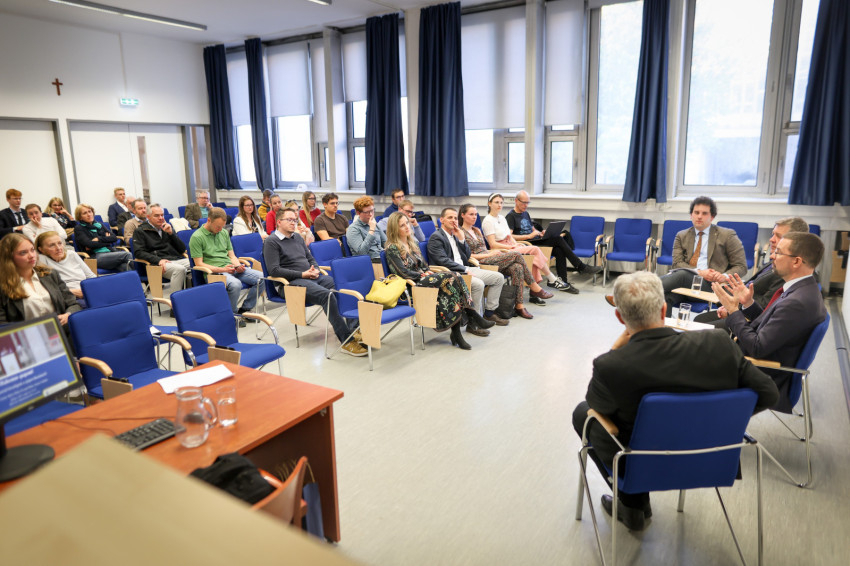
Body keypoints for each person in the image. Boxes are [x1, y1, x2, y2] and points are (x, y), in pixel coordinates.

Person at [572, 271, 778, 531]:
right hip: (714, 460)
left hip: (647, 466)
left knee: (583, 413)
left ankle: (632, 502)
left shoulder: (612, 365)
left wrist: (614, 351)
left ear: (620, 317)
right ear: (664, 309)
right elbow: (769, 393)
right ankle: (633, 504)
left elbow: (597, 406)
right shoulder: (718, 343)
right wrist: (725, 421)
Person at [713, 231, 827, 412]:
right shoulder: (803, 289)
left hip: (763, 373)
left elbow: (757, 347)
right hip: (761, 360)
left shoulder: (797, 302)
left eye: (779, 252)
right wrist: (748, 304)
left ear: (796, 261)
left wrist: (734, 311)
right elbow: (773, 325)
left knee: (693, 357)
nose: (772, 255)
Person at [262, 208, 367, 357]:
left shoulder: (297, 237)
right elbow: (274, 270)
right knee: (327, 295)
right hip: (289, 283)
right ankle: (346, 340)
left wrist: (315, 269)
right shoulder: (271, 241)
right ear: (279, 222)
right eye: (289, 220)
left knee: (343, 288)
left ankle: (354, 330)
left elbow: (310, 258)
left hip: (310, 276)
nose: (293, 223)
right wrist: (303, 274)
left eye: (295, 220)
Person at [385, 212, 477, 350]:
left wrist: (426, 271)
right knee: (454, 276)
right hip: (412, 285)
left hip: (425, 280)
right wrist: (421, 274)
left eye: (407, 223)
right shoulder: (392, 248)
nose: (407, 227)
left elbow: (424, 265)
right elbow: (402, 272)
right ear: (394, 229)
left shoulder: (413, 243)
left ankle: (457, 333)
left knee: (450, 289)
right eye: (402, 225)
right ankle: (471, 312)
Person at [694, 217, 809, 327]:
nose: (771, 239)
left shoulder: (786, 272)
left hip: (748, 319)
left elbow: (764, 308)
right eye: (773, 234)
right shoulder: (774, 261)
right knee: (699, 319)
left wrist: (733, 310)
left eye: (778, 236)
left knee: (699, 324)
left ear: (794, 242)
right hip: (739, 305)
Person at [459, 203, 553, 320]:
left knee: (517, 267)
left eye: (475, 214)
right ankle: (533, 286)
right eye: (471, 214)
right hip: (478, 262)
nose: (474, 217)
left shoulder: (477, 230)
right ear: (462, 215)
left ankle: (519, 305)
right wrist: (490, 254)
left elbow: (484, 248)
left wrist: (493, 252)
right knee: (517, 254)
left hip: (489, 257)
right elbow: (466, 256)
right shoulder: (460, 232)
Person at [660, 196, 747, 312]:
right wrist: (700, 273)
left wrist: (724, 276)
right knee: (663, 298)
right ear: (691, 215)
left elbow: (741, 266)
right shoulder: (682, 235)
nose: (699, 216)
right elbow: (677, 264)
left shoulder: (727, 235)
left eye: (704, 213)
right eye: (696, 212)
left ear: (712, 217)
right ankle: (663, 325)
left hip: (712, 286)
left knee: (682, 275)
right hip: (685, 285)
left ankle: (642, 287)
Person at [506, 191, 603, 294]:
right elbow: (509, 236)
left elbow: (532, 229)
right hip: (527, 245)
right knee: (558, 239)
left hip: (536, 240)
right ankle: (581, 266)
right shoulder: (510, 216)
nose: (526, 205)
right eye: (524, 202)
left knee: (559, 250)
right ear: (516, 201)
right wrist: (529, 236)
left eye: (528, 203)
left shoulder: (525, 213)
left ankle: (564, 283)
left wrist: (540, 233)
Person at [427, 207, 502, 337]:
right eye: (450, 217)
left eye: (455, 218)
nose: (453, 220)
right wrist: (465, 269)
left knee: (498, 278)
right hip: (452, 273)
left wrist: (462, 239)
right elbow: (442, 261)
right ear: (442, 220)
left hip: (465, 268)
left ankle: (489, 313)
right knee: (478, 284)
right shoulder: (436, 237)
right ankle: (473, 324)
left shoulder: (456, 234)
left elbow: (467, 256)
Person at [482, 193, 564, 296]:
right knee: (534, 249)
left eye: (501, 203)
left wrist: (516, 244)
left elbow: (509, 236)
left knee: (532, 257)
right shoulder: (488, 220)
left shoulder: (501, 218)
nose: (499, 205)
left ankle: (534, 293)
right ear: (489, 204)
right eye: (496, 202)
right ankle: (551, 279)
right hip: (501, 249)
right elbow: (493, 244)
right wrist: (511, 246)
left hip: (510, 245)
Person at [189, 207, 263, 318]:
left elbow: (232, 255)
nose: (220, 229)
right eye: (218, 226)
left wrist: (237, 265)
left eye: (222, 226)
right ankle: (231, 315)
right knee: (235, 284)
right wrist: (223, 269)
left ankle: (245, 309)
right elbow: (199, 264)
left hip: (230, 268)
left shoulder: (223, 233)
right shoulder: (197, 237)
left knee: (262, 278)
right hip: (214, 273)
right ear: (209, 220)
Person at [0, 233, 82, 328]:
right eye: (23, 253)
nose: (31, 256)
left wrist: (67, 315)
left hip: (62, 330)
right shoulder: (3, 285)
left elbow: (73, 304)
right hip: (27, 334)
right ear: (8, 257)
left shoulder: (50, 274)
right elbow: (3, 324)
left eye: (32, 250)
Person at [134, 204, 191, 296]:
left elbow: (182, 249)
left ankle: (193, 295)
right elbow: (138, 252)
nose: (161, 218)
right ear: (148, 217)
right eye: (156, 215)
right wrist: (158, 260)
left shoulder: (166, 228)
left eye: (162, 215)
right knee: (180, 269)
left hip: (174, 259)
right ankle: (176, 300)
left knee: (195, 263)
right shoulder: (140, 231)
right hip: (156, 263)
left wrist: (171, 234)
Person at [35, 231, 95, 304]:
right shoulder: (41, 260)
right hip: (68, 297)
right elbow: (47, 288)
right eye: (52, 245)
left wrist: (89, 290)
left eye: (60, 243)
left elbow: (91, 276)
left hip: (87, 291)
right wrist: (72, 292)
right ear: (41, 249)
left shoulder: (72, 254)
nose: (58, 248)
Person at [73, 203, 132, 271]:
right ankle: (141, 274)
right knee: (127, 255)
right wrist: (107, 241)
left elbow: (114, 238)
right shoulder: (79, 228)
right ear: (80, 217)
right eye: (85, 213)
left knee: (126, 267)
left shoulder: (99, 225)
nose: (89, 214)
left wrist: (99, 239)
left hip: (109, 253)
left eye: (90, 211)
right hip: (94, 257)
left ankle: (137, 277)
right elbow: (89, 244)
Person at [346, 196, 386, 261]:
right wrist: (371, 230)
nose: (371, 214)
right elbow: (361, 252)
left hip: (381, 257)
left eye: (372, 210)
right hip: (369, 261)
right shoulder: (353, 229)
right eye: (367, 212)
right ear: (358, 213)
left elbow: (386, 243)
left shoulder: (374, 224)